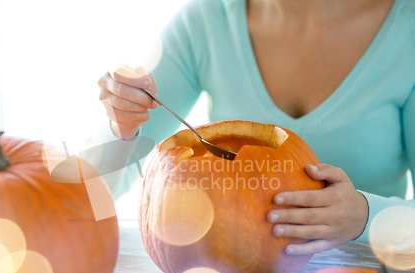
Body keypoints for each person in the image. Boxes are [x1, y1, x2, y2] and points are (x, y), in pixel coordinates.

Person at [97, 0, 415, 255]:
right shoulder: (206, 19)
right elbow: (96, 189)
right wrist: (122, 126)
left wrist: (366, 217)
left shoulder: (408, 29)